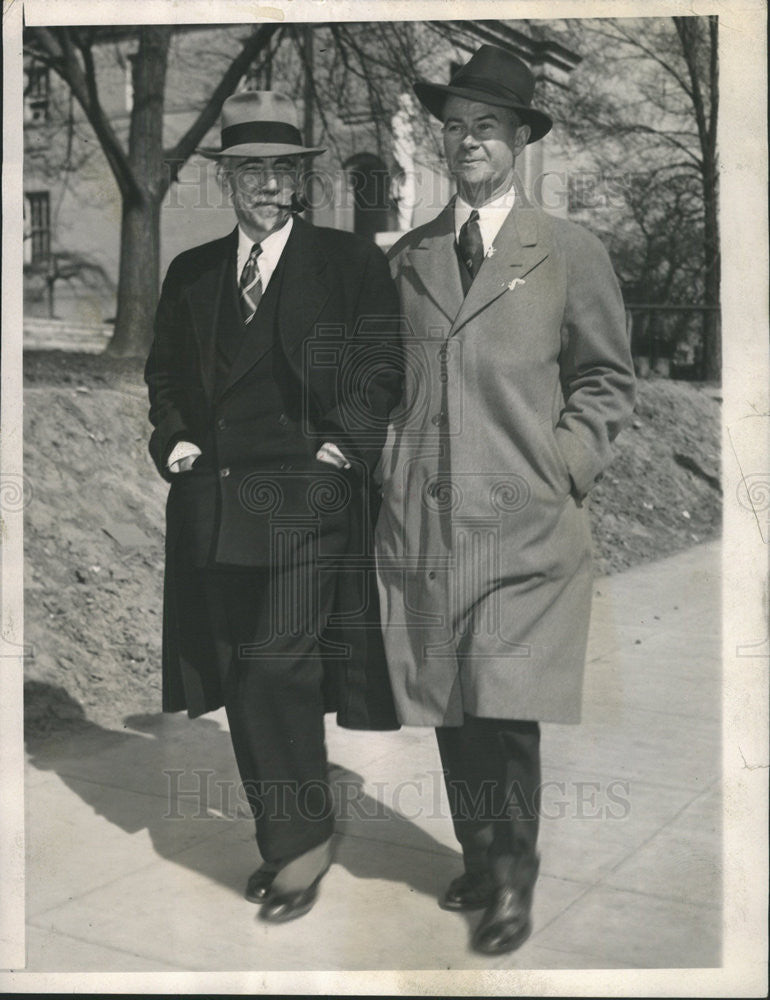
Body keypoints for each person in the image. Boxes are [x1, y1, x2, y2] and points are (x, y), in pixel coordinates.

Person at [375, 46, 636, 955]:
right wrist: (386, 465)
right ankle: (479, 853)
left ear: (521, 140)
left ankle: (514, 881)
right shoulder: (410, 256)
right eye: (455, 126)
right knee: (449, 700)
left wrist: (561, 466)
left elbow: (605, 379)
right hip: (428, 519)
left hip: (525, 526)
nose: (468, 141)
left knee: (504, 700)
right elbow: (386, 381)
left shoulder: (569, 252)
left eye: (487, 125)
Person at [145, 91, 402, 924]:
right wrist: (175, 441)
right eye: (250, 172)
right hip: (214, 507)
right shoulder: (191, 273)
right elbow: (167, 378)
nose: (266, 186)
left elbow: (379, 374)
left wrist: (341, 450)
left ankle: (298, 848)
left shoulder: (349, 263)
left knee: (273, 671)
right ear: (227, 182)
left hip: (306, 508)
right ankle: (292, 833)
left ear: (299, 181)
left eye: (282, 171)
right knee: (235, 672)